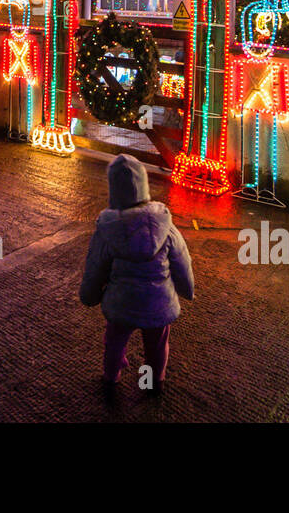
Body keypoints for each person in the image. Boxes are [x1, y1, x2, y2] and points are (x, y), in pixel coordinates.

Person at [80, 154, 195, 398]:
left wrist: (90, 295)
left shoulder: (107, 229)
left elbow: (95, 264)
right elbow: (182, 260)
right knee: (157, 345)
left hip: (121, 302)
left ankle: (111, 377)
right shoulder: (166, 226)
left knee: (114, 341)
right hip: (159, 303)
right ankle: (155, 381)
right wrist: (187, 289)